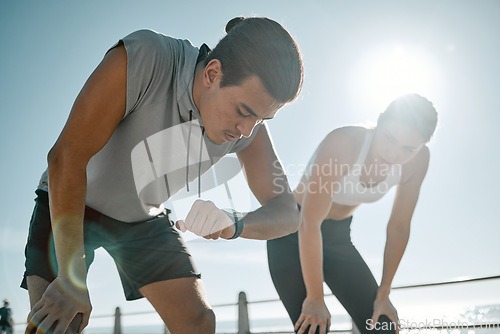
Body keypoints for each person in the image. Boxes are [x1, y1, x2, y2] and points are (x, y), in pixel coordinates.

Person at [22, 17, 303, 334]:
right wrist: (70, 278)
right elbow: (67, 157)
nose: (247, 130)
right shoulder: (148, 56)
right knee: (58, 325)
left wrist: (234, 222)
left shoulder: (249, 130)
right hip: (72, 198)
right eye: (244, 111)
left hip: (141, 216)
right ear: (212, 73)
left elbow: (288, 213)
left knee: (198, 324)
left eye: (263, 118)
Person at [267, 94, 438, 334]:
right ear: (379, 122)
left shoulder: (418, 162)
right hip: (293, 232)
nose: (393, 153)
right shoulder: (344, 143)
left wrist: (384, 293)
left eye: (408, 148)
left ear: (421, 147)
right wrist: (316, 297)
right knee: (313, 327)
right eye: (389, 138)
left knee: (383, 326)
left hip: (338, 237)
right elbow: (309, 222)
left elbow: (399, 226)